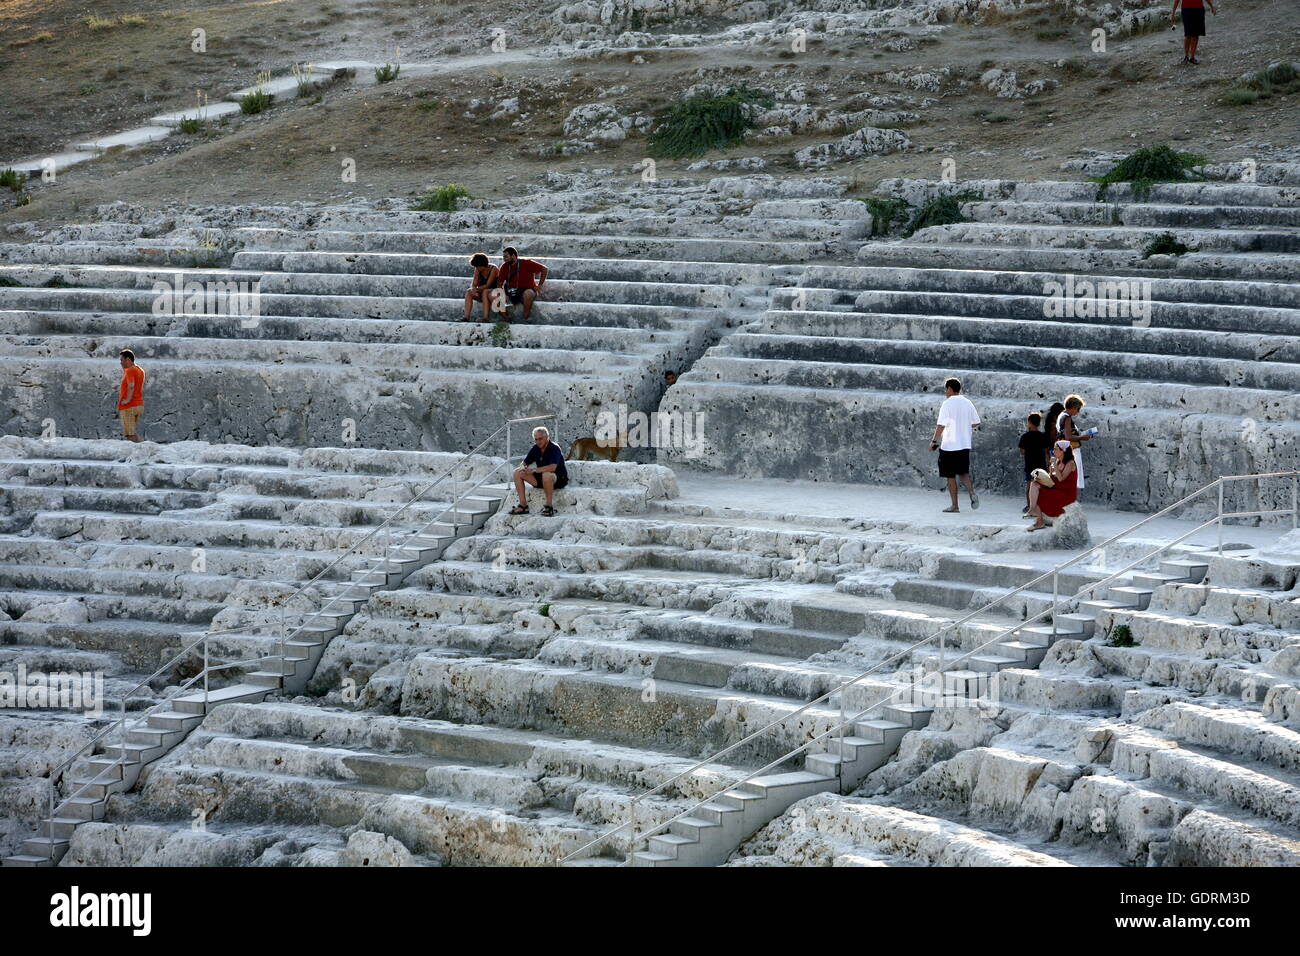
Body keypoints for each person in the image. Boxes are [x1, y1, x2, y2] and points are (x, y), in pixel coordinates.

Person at [929, 377, 981, 513]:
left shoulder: (947, 404)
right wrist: (963, 424)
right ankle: (971, 492)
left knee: (950, 476)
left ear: (950, 389)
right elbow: (976, 422)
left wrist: (934, 441)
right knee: (963, 473)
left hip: (950, 445)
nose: (945, 392)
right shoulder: (967, 402)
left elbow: (941, 425)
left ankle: (955, 506)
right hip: (964, 444)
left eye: (946, 389)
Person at [509, 426, 568, 516]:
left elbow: (552, 468)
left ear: (547, 437)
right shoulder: (536, 448)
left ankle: (549, 507)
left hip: (558, 479)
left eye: (540, 439)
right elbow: (525, 462)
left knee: (546, 475)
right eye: (536, 439)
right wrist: (523, 468)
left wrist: (533, 470)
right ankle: (523, 506)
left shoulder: (554, 448)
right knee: (517, 472)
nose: (538, 442)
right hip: (541, 478)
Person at [1027, 441, 1079, 531]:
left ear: (1063, 451)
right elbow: (1052, 479)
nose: (1053, 451)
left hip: (1065, 493)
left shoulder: (1070, 463)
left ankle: (1038, 519)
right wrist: (1048, 473)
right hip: (1056, 488)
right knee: (1034, 484)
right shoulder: (1059, 462)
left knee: (1040, 495)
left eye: (1056, 449)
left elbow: (1061, 479)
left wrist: (1054, 464)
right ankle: (1034, 513)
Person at [1056, 394, 1097, 491]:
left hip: (1063, 450)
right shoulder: (1067, 418)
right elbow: (1068, 436)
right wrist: (1082, 437)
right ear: (1073, 407)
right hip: (1072, 451)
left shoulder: (1061, 415)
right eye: (1078, 409)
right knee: (1073, 478)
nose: (1078, 412)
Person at [498, 246, 547, 321]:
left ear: (513, 256)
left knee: (528, 293)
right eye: (503, 257)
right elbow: (500, 284)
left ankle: (525, 318)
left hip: (527, 290)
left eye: (506, 257)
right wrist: (501, 295)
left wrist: (539, 285)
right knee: (494, 295)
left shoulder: (526, 263)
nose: (504, 259)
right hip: (511, 292)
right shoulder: (504, 267)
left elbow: (544, 269)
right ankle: (507, 319)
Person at [1018, 412, 1051, 516]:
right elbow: (1046, 451)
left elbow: (1022, 451)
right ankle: (1042, 507)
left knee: (1029, 488)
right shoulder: (1043, 436)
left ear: (1029, 423)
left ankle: (1030, 507)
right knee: (1041, 487)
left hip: (1029, 466)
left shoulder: (1025, 437)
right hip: (1041, 466)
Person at [1171, 0, 1216, 65]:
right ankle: (1186, 56)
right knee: (1188, 34)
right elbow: (1177, 0)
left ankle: (1192, 57)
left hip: (1199, 9)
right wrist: (1173, 14)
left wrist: (1212, 7)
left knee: (1196, 34)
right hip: (1187, 10)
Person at [116, 349, 145, 443]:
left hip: (129, 406)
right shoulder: (140, 370)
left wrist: (127, 400)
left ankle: (142, 451)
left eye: (122, 360)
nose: (120, 363)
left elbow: (131, 385)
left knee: (130, 435)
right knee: (132, 433)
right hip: (138, 405)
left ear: (128, 360)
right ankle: (144, 450)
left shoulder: (130, 370)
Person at [463, 252, 500, 322]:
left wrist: (476, 289)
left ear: (482, 265)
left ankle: (485, 318)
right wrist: (474, 289)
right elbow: (474, 284)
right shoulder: (477, 269)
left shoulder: (493, 269)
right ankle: (466, 317)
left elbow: (488, 285)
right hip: (482, 292)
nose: (476, 268)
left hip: (493, 293)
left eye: (477, 266)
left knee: (485, 292)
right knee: (469, 291)